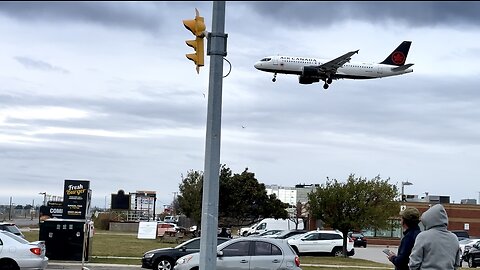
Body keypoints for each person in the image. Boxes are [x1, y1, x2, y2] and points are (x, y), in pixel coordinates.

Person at [408, 204, 462, 270]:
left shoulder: (423, 236)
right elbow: (456, 264)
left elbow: (414, 264)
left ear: (428, 220)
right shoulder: (454, 238)